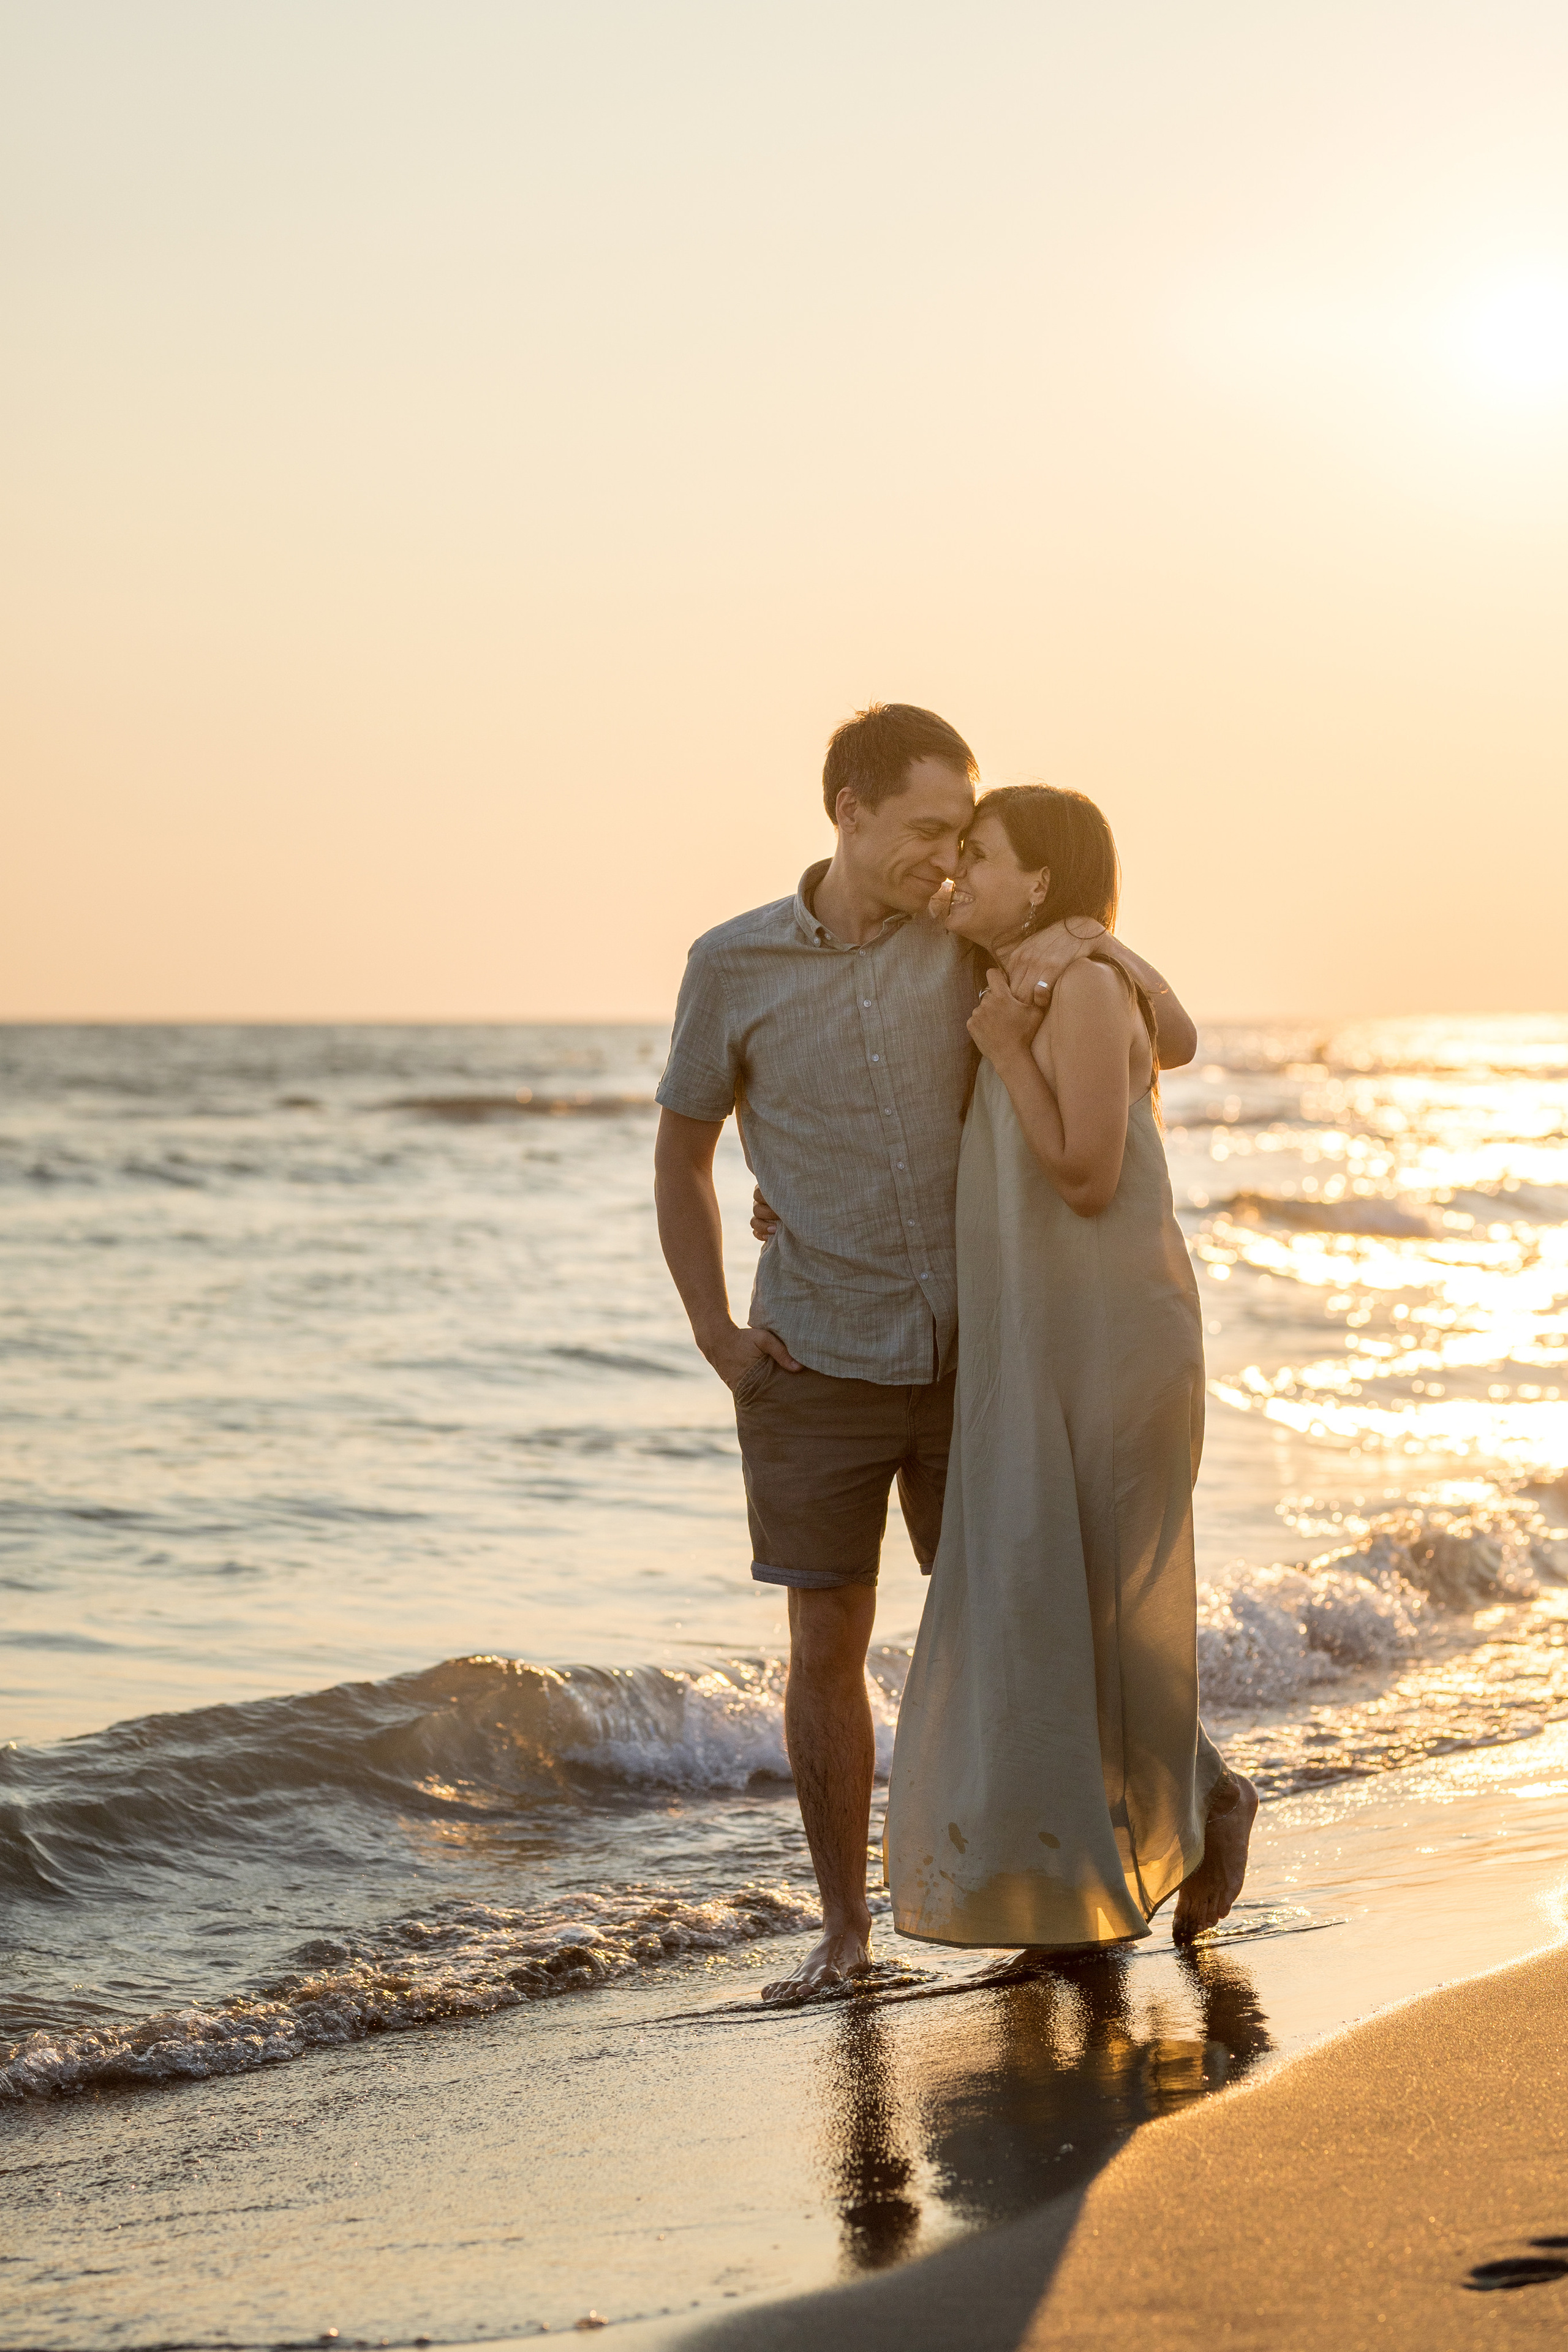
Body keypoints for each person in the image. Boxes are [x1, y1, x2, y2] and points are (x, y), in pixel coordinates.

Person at [654, 704, 1210, 1999]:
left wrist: (1086, 932)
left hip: (979, 1360)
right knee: (824, 1649)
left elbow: (1150, 1040)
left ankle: (1080, 1881)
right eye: (921, 830)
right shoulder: (729, 965)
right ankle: (846, 1935)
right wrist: (717, 1335)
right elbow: (682, 1153)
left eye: (960, 834)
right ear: (842, 811)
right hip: (812, 1361)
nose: (944, 859)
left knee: (1040, 1624)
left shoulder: (966, 946)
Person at [884, 785, 1256, 1961]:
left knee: (1097, 1599)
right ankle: (1103, 1860)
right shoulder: (1037, 975)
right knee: (1049, 1599)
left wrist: (1013, 1039)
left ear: (1039, 881)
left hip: (1113, 1339)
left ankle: (1157, 1843)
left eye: (979, 858)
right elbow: (1183, 1033)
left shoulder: (1080, 989)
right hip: (1039, 1338)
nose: (958, 879)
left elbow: (1088, 1178)